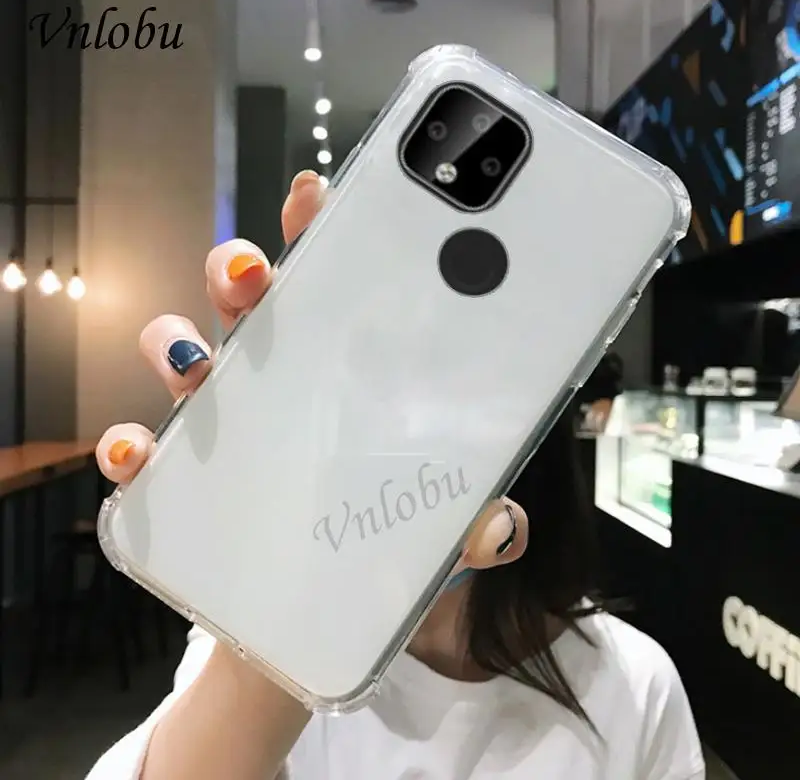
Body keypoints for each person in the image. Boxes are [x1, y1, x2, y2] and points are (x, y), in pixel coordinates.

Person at [86, 170, 705, 780]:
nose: (409, 422)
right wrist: (301, 605)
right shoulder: (263, 635)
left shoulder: (634, 687)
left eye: (448, 364)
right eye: (375, 364)